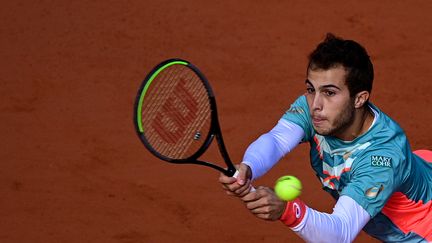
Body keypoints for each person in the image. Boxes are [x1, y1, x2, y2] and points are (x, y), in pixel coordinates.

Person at [219, 33, 432, 242]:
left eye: (329, 93)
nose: (315, 105)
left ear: (359, 99)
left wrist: (288, 210)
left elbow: (341, 233)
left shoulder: (382, 159)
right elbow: (277, 139)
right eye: (311, 89)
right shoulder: (318, 110)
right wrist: (249, 167)